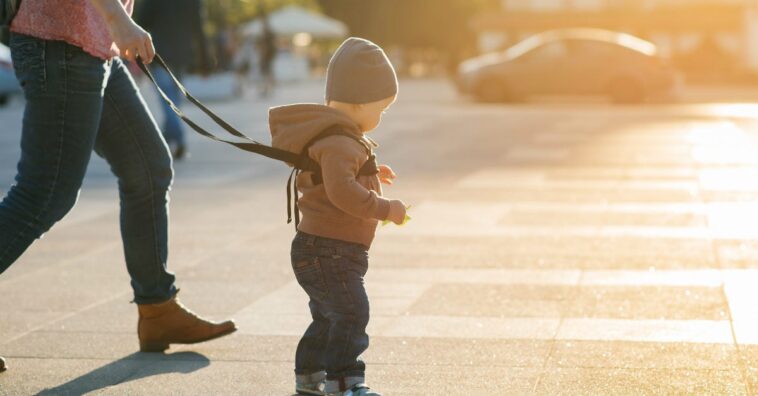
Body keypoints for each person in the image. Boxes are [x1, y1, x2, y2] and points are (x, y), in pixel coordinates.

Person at [0, 0, 236, 369]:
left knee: (148, 167)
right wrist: (118, 18)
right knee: (44, 194)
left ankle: (157, 309)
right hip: (60, 40)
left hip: (94, 45)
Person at [269, 37, 407, 396]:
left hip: (321, 248)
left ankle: (310, 376)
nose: (381, 117)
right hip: (331, 250)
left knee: (328, 317)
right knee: (351, 314)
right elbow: (341, 192)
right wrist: (386, 208)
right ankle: (346, 381)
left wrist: (372, 173)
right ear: (360, 103)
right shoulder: (340, 143)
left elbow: (340, 174)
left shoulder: (338, 138)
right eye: (381, 109)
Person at [135, 0, 211, 160]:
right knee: (172, 100)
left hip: (159, 54)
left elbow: (141, 22)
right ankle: (168, 139)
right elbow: (199, 29)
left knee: (168, 100)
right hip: (181, 55)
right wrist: (205, 62)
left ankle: (176, 139)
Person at [257, 5, 277, 97]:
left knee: (266, 73)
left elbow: (266, 46)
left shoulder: (267, 34)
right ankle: (267, 89)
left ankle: (267, 89)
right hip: (267, 55)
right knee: (267, 73)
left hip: (267, 56)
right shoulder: (268, 33)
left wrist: (264, 54)